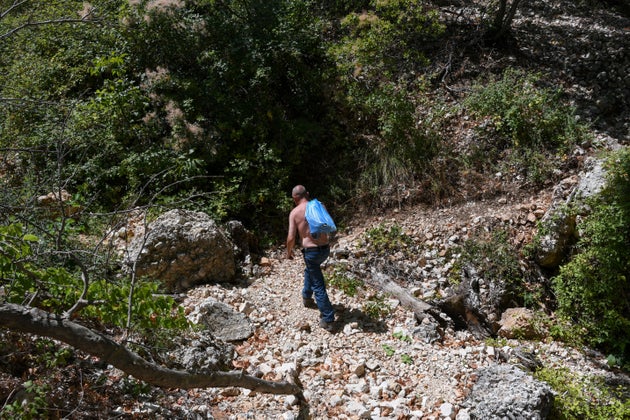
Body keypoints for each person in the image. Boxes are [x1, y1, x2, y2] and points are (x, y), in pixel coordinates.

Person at [286, 185, 336, 332]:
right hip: (325, 249)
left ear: (295, 198)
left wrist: (288, 253)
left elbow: (290, 238)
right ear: (307, 194)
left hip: (311, 252)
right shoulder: (319, 205)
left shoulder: (295, 213)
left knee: (318, 285)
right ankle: (306, 296)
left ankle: (328, 319)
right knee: (311, 270)